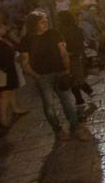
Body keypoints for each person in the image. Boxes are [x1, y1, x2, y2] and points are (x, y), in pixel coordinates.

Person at [19, 11, 90, 141]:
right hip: (42, 76)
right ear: (34, 24)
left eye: (46, 20)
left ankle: (75, 127)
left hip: (59, 72)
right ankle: (57, 129)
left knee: (66, 101)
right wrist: (35, 76)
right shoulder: (26, 40)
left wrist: (67, 69)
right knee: (48, 104)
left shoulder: (54, 34)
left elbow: (63, 53)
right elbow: (24, 61)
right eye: (42, 22)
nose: (45, 23)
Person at [0, 21, 27, 131]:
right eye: (2, 26)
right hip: (2, 72)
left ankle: (15, 108)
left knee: (11, 90)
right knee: (4, 95)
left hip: (9, 69)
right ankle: (2, 119)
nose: (4, 27)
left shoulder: (1, 40)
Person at [57, 10, 94, 107]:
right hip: (77, 56)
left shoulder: (61, 32)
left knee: (74, 79)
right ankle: (84, 95)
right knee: (76, 78)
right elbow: (81, 43)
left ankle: (81, 97)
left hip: (70, 57)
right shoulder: (77, 30)